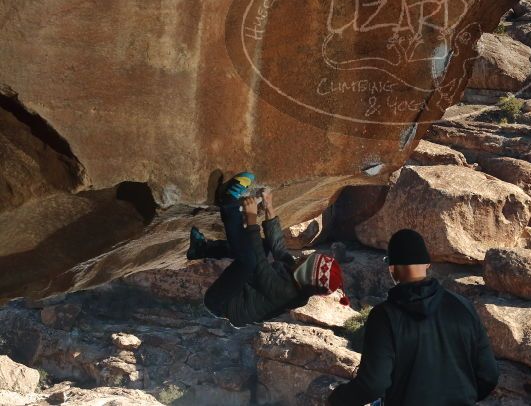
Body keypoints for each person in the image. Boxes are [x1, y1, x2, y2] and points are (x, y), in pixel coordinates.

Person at [327, 228, 499, 406]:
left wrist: (335, 399)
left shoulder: (384, 317)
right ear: (427, 264)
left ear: (392, 269)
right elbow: (489, 375)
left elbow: (373, 385)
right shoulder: (464, 307)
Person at [186, 171, 348, 327]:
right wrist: (269, 207)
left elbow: (259, 264)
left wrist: (251, 217)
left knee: (249, 261)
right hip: (242, 291)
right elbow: (278, 247)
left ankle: (229, 202)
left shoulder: (285, 292)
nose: (301, 258)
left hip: (221, 302)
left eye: (306, 261)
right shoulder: (299, 279)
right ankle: (202, 249)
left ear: (305, 273)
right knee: (263, 246)